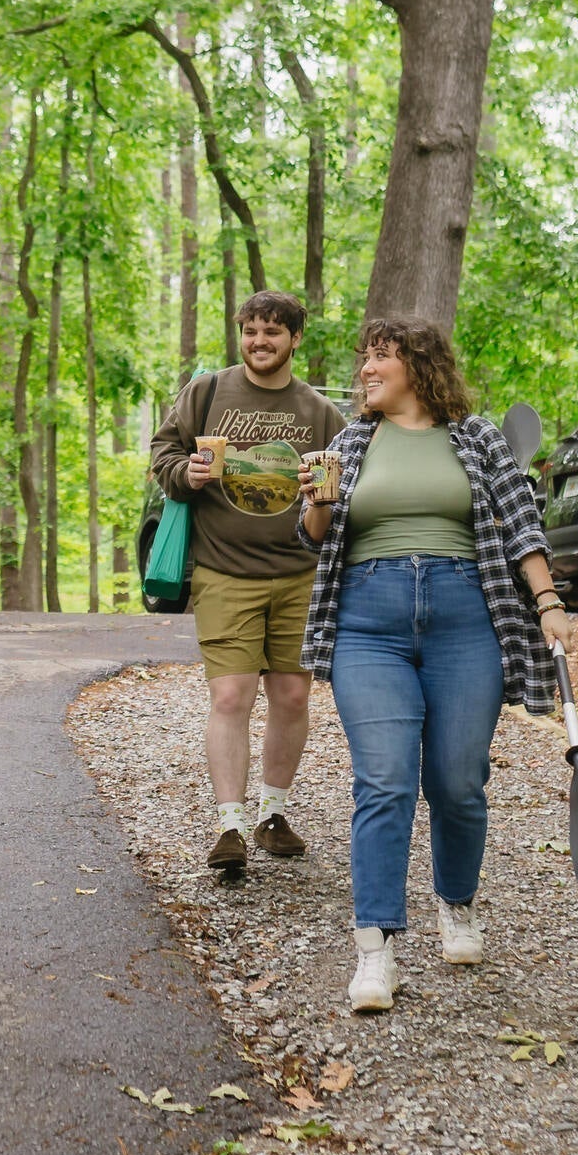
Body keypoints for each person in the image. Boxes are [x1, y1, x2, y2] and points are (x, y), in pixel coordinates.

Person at [295, 315, 569, 1013]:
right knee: (383, 779)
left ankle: (457, 903)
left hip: (463, 618)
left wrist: (546, 602)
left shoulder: (475, 439)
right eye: (365, 359)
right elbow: (312, 539)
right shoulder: (352, 442)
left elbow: (522, 523)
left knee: (458, 780)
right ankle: (375, 952)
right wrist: (317, 505)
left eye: (379, 358)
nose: (365, 370)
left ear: (418, 365)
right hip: (368, 620)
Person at [147, 291, 347, 876]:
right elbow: (163, 454)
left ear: (294, 339)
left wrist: (328, 492)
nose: (259, 342)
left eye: (272, 333)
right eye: (250, 331)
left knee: (291, 696)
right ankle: (229, 824)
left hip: (298, 575)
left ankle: (274, 814)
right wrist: (187, 471)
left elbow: (344, 481)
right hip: (223, 571)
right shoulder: (207, 393)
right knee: (231, 696)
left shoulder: (318, 412)